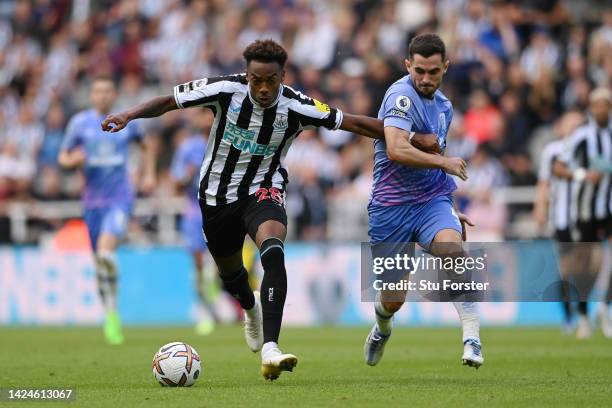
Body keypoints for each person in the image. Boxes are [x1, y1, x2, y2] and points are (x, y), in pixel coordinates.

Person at [100, 39, 406, 381]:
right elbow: (169, 101)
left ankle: (272, 347)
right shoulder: (224, 90)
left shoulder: (297, 105)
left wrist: (407, 136)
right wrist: (130, 114)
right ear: (246, 75)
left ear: (282, 76)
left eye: (270, 81)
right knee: (231, 275)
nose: (262, 88)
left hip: (264, 189)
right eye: (255, 80)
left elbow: (355, 123)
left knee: (273, 250)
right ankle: (250, 308)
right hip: (216, 196)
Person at [363, 33, 484, 368]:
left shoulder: (445, 106)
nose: (426, 78)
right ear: (408, 65)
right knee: (393, 299)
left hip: (432, 201)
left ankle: (471, 338)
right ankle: (382, 328)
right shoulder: (400, 96)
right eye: (420, 71)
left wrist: (449, 206)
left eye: (433, 71)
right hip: (391, 208)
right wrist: (445, 162)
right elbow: (397, 149)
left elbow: (432, 159)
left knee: (453, 251)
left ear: (445, 67)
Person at [58, 76, 156, 345]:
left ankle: (112, 308)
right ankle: (111, 313)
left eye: (107, 90)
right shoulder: (80, 123)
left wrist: (148, 174)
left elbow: (147, 144)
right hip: (92, 202)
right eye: (97, 91)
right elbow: (63, 157)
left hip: (120, 198)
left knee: (104, 252)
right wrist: (73, 160)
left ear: (114, 94)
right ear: (91, 95)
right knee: (100, 263)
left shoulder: (125, 121)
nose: (102, 95)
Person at [554, 88, 612, 339]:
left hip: (608, 207)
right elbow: (559, 167)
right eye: (597, 104)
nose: (601, 109)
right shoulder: (581, 137)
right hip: (586, 209)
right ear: (591, 107)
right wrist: (582, 175)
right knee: (585, 265)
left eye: (605, 105)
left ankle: (604, 307)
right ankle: (585, 315)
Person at [533, 110, 584, 334]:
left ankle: (584, 313)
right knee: (566, 268)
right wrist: (540, 208)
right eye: (570, 123)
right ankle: (569, 316)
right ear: (560, 127)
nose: (574, 128)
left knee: (588, 265)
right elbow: (544, 183)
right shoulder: (552, 151)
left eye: (578, 124)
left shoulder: (588, 150)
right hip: (561, 217)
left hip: (585, 216)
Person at [170, 124, 220, 335]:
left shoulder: (229, 141)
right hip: (195, 212)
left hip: (223, 209)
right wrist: (187, 175)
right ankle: (205, 311)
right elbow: (177, 184)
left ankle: (219, 304)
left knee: (222, 263)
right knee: (199, 265)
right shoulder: (188, 147)